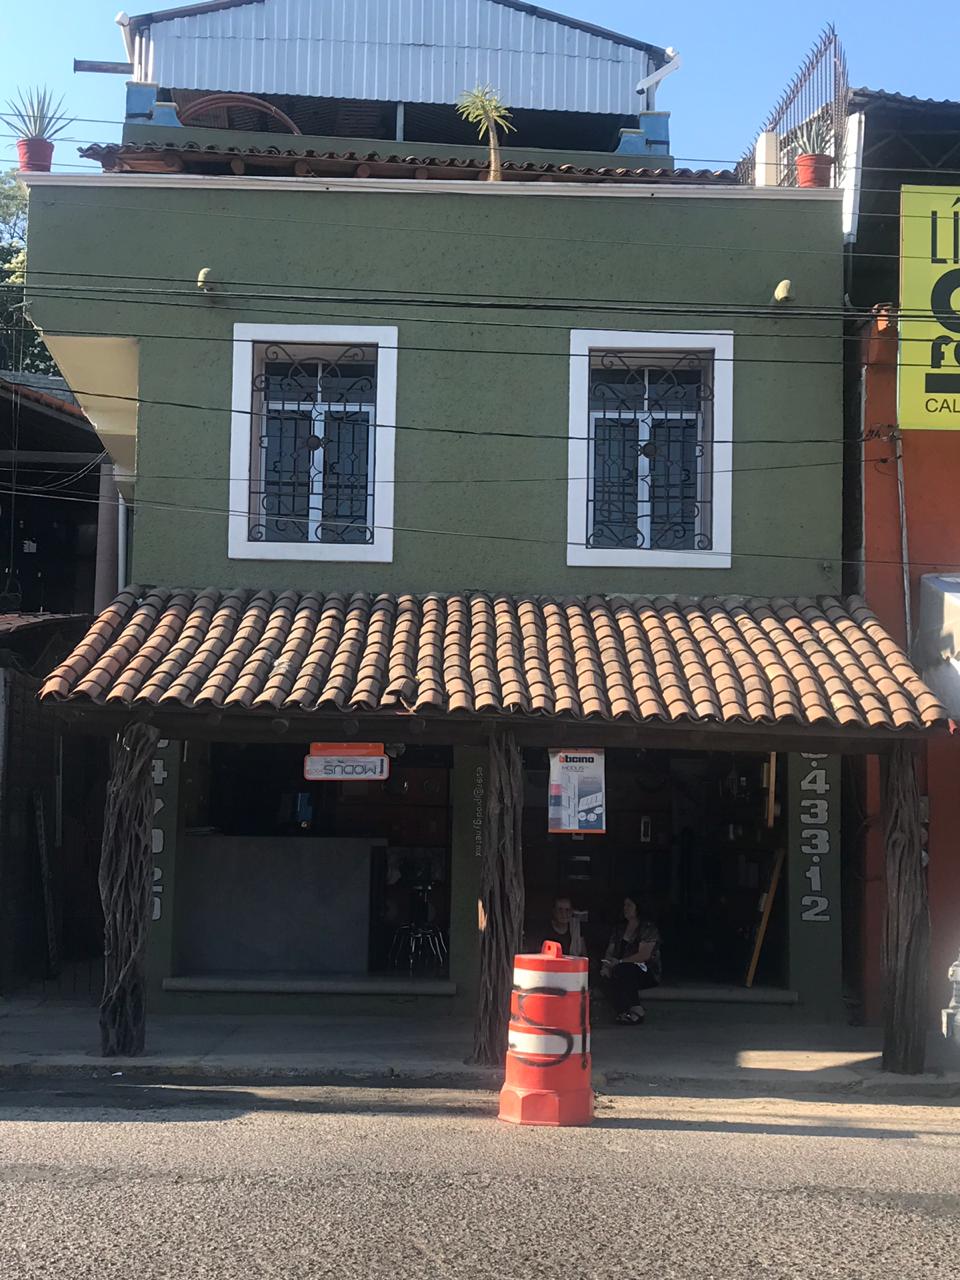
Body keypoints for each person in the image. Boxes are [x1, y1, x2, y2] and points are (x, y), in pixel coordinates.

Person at [600, 894, 661, 1025]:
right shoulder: (619, 928)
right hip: (618, 967)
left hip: (644, 970)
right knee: (604, 977)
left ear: (637, 907)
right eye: (624, 905)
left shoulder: (648, 928)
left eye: (629, 905)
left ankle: (637, 1009)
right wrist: (607, 964)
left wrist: (620, 962)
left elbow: (644, 954)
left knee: (624, 969)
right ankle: (622, 1011)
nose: (625, 908)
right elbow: (610, 950)